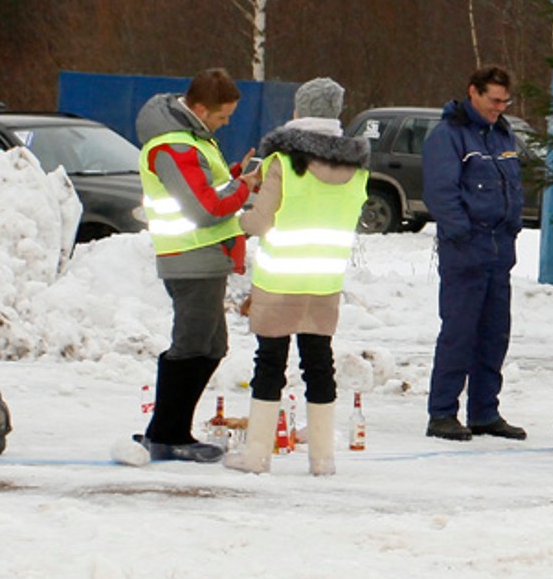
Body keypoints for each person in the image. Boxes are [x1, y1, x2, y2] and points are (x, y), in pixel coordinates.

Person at [225, 77, 369, 476]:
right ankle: (322, 459)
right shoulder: (357, 167)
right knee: (319, 363)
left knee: (270, 363)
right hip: (324, 282)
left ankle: (257, 455)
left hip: (280, 280)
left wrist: (235, 220)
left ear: (299, 111)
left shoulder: (283, 162)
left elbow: (261, 221)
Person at [122, 68, 258, 464]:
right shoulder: (176, 146)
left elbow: (202, 191)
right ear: (199, 109)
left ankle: (166, 429)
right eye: (222, 116)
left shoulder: (191, 140)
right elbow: (204, 209)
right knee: (193, 345)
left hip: (203, 258)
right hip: (191, 258)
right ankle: (168, 434)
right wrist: (244, 188)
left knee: (211, 346)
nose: (226, 123)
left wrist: (235, 177)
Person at [423, 65, 526, 441]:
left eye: (504, 101)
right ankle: (442, 412)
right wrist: (462, 235)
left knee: (494, 334)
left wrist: (512, 227)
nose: (499, 108)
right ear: (473, 93)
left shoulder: (503, 135)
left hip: (500, 250)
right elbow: (441, 193)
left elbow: (512, 186)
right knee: (459, 333)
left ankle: (484, 411)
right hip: (466, 249)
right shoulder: (448, 136)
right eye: (494, 100)